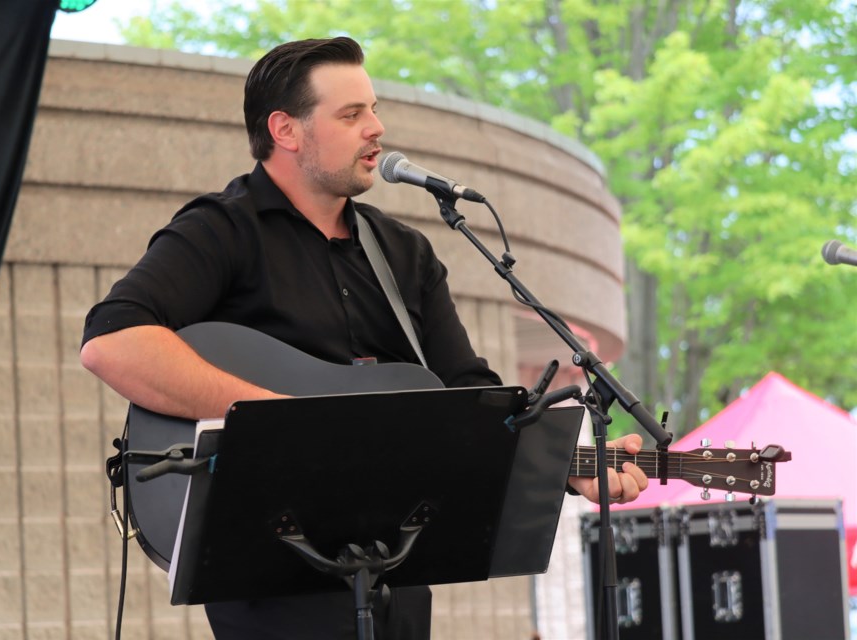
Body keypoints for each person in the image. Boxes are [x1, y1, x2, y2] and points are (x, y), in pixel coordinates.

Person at [80, 36, 648, 640]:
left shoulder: (404, 253)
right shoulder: (222, 232)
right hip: (273, 577)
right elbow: (112, 340)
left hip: (397, 574)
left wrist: (563, 464)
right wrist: (275, 422)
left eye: (374, 109)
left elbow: (472, 396)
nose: (376, 128)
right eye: (351, 114)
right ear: (286, 130)